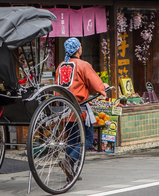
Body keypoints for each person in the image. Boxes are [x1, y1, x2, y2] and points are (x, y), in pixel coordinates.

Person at [55, 37, 110, 181]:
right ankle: (70, 161)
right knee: (89, 140)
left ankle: (70, 172)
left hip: (64, 109)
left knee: (72, 140)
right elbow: (95, 85)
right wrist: (103, 87)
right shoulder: (83, 65)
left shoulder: (61, 65)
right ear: (79, 49)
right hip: (79, 110)